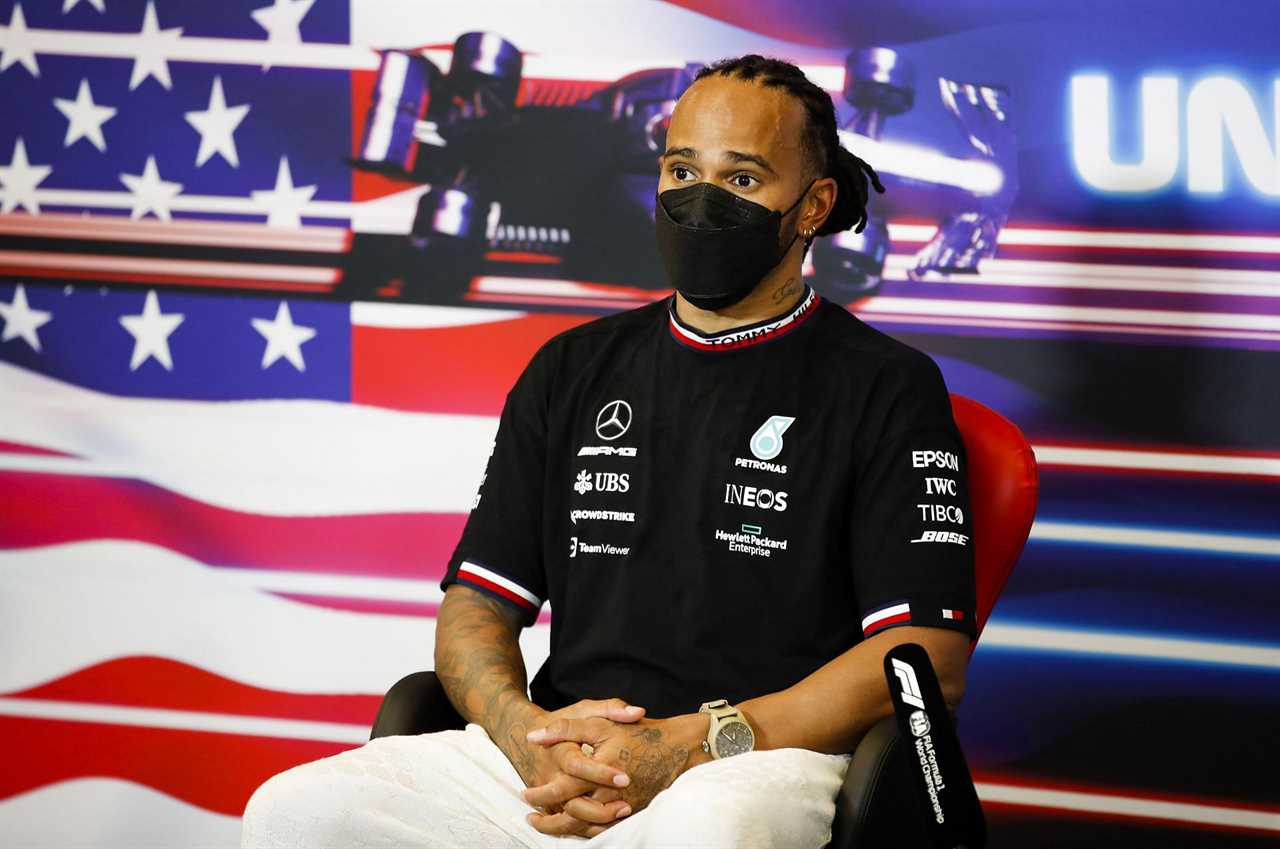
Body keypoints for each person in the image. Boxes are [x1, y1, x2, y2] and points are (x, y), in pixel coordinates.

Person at [241, 53, 977, 849]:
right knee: (298, 812)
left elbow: (924, 657)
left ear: (812, 205)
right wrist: (521, 729)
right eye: (682, 167)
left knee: (702, 834)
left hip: (751, 760)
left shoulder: (886, 387)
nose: (700, 200)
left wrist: (686, 741)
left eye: (741, 180)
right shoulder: (571, 367)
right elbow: (476, 604)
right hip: (562, 751)